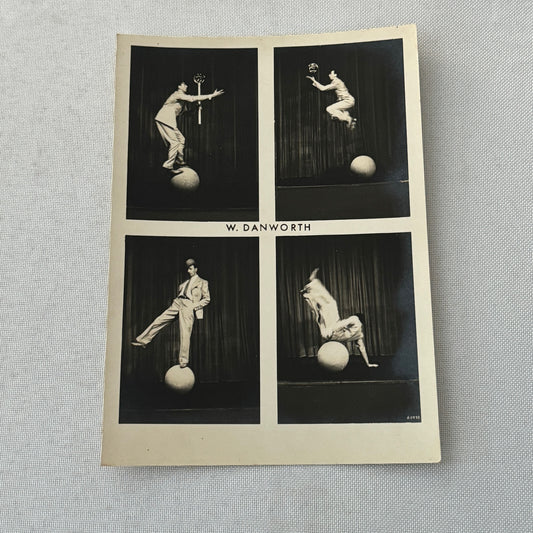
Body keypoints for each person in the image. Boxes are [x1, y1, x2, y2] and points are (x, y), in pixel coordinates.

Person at [131, 258, 210, 367]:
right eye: (188, 269)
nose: (189, 271)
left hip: (189, 305)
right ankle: (143, 340)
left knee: (185, 333)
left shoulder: (203, 282)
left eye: (191, 269)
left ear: (196, 269)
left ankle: (183, 360)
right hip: (177, 303)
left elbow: (207, 299)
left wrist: (193, 306)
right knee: (159, 320)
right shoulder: (183, 284)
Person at [300, 268, 378, 367]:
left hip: (331, 331)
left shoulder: (356, 319)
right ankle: (308, 295)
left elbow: (343, 323)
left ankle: (312, 285)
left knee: (331, 303)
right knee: (319, 311)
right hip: (326, 335)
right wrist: (368, 364)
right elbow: (362, 349)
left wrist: (332, 330)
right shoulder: (359, 336)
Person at [155, 82, 224, 171]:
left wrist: (196, 108)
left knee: (181, 140)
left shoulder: (182, 101)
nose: (186, 86)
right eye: (184, 85)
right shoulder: (177, 94)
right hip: (164, 119)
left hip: (168, 121)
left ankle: (180, 161)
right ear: (179, 86)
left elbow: (186, 114)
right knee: (175, 142)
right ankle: (168, 166)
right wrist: (211, 95)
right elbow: (192, 98)